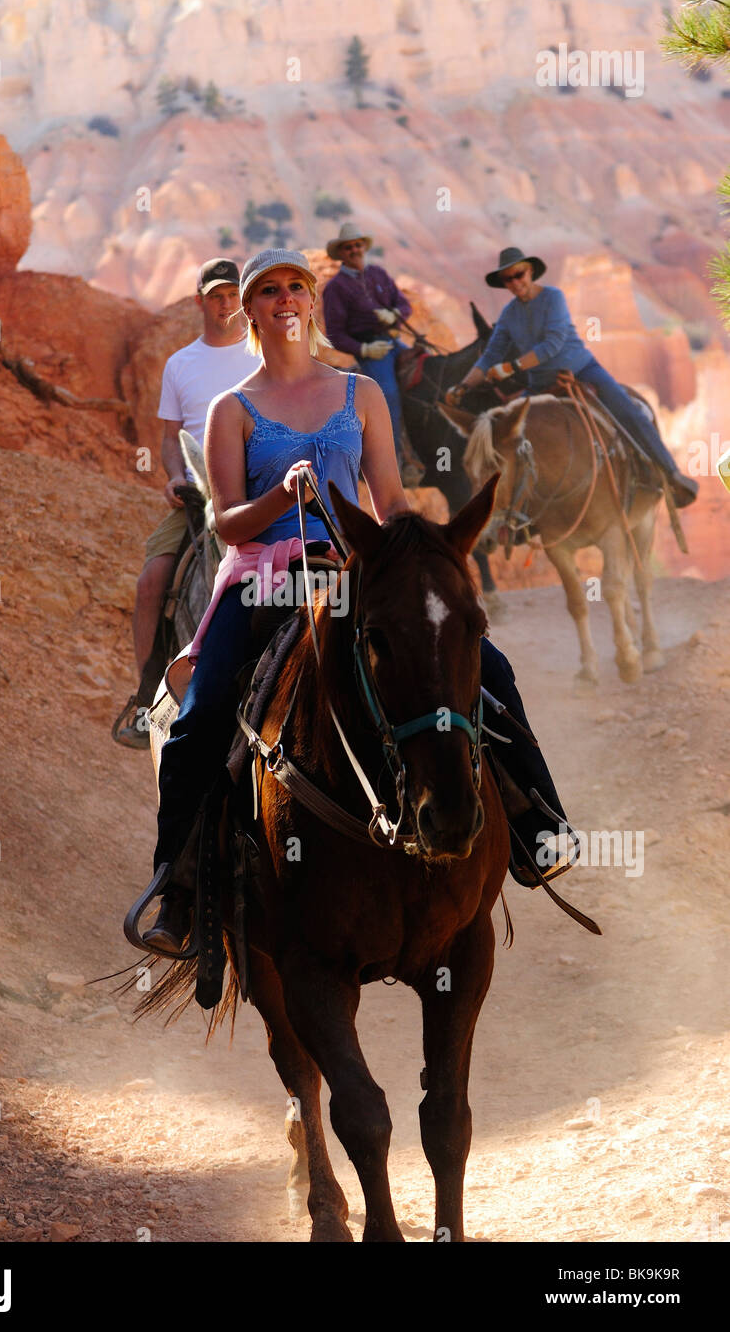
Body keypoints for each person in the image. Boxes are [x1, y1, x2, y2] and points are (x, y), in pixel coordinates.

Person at [138, 248, 576, 957]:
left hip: (353, 575)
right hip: (265, 577)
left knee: (487, 670)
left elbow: (391, 503)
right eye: (269, 290)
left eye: (296, 288)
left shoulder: (360, 395)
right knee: (201, 717)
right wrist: (282, 497)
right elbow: (223, 521)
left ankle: (538, 825)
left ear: (312, 302)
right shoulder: (232, 408)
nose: (285, 299)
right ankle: (178, 890)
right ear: (249, 309)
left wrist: (417, 554)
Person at [114, 258, 255, 748]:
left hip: (258, 489)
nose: (224, 303)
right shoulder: (181, 364)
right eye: (215, 295)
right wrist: (174, 475)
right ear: (200, 301)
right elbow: (169, 438)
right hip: (199, 496)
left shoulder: (261, 356)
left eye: (232, 294)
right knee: (152, 579)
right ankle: (147, 698)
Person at [446, 246, 698, 508]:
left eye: (518, 274)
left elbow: (553, 344)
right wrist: (463, 386)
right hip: (540, 384)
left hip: (581, 370)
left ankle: (671, 475)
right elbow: (489, 356)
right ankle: (515, 510)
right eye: (508, 279)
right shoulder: (509, 315)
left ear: (530, 271)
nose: (515, 282)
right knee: (501, 435)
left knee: (627, 411)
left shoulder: (553, 298)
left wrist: (512, 367)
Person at [321, 221, 412, 460]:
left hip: (393, 341)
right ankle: (393, 457)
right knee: (388, 394)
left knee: (427, 368)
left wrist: (396, 314)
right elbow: (335, 335)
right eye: (348, 247)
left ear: (364, 247)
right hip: (370, 350)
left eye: (357, 245)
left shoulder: (378, 274)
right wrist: (365, 349)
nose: (354, 250)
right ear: (341, 253)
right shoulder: (335, 288)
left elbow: (404, 304)